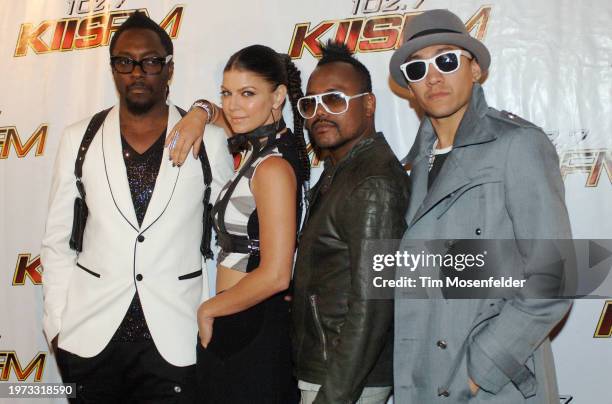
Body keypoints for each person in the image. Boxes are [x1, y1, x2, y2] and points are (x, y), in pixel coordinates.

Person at [41, 12, 233, 403]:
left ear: (169, 68)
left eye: (150, 61)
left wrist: (217, 319)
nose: (137, 72)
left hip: (176, 340)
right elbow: (57, 241)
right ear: (113, 69)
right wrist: (58, 327)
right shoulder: (80, 138)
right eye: (124, 62)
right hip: (90, 342)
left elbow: (232, 242)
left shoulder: (209, 142)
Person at [388, 9, 572, 403]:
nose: (433, 76)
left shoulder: (517, 145)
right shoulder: (417, 162)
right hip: (424, 378)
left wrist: (477, 372)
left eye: (446, 59)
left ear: (474, 70)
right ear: (409, 86)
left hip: (493, 386)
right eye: (417, 69)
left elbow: (553, 278)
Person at [167, 44, 310, 403]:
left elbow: (278, 273)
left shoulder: (273, 167)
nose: (233, 105)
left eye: (248, 94)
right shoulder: (261, 147)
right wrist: (201, 112)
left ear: (277, 97)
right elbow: (220, 115)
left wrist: (209, 308)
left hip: (253, 324)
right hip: (239, 319)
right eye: (227, 93)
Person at [290, 41, 411, 404]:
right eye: (311, 103)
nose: (320, 113)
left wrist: (335, 395)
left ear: (369, 104)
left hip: (343, 379)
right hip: (331, 369)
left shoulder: (371, 183)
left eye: (336, 100)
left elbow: (372, 304)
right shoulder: (341, 171)